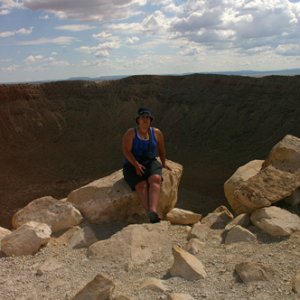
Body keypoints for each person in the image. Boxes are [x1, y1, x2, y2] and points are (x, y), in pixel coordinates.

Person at [122, 107, 171, 223]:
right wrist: (136, 164)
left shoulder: (156, 133)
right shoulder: (131, 133)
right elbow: (126, 151)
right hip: (132, 164)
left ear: (150, 120)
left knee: (155, 179)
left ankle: (153, 210)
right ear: (138, 120)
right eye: (142, 117)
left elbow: (161, 149)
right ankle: (149, 211)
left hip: (150, 161)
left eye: (147, 117)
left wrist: (164, 163)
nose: (145, 120)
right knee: (141, 185)